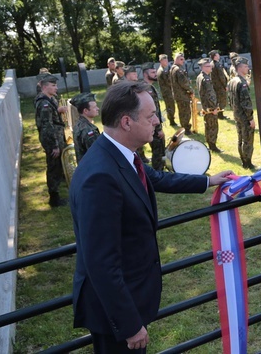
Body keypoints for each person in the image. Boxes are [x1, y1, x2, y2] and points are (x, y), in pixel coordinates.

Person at [69, 81, 233, 353]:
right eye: (151, 116)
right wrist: (129, 324)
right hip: (115, 314)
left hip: (129, 299)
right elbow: (100, 262)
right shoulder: (100, 177)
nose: (157, 121)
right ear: (126, 122)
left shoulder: (118, 154)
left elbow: (155, 177)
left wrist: (207, 181)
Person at [34, 74, 69, 207]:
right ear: (44, 87)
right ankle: (54, 198)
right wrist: (54, 145)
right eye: (53, 85)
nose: (56, 88)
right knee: (53, 167)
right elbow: (46, 125)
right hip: (52, 139)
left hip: (56, 136)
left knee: (58, 166)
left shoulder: (49, 99)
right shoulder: (44, 103)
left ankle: (57, 192)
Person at [227, 57, 256, 169]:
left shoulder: (232, 81)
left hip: (237, 114)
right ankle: (248, 163)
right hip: (244, 116)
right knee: (247, 139)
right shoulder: (241, 83)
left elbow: (230, 100)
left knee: (240, 138)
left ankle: (244, 161)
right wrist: (250, 118)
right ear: (239, 68)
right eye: (245, 66)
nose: (247, 68)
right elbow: (246, 103)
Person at [142, 62, 166, 171]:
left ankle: (159, 170)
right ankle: (158, 172)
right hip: (153, 125)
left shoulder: (149, 87)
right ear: (145, 74)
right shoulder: (146, 89)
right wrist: (158, 129)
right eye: (152, 72)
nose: (155, 74)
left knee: (159, 149)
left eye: (155, 71)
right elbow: (151, 111)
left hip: (154, 124)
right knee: (158, 150)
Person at [196, 58, 221, 152]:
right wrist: (214, 108)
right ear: (203, 67)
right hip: (210, 107)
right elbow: (210, 94)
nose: (211, 67)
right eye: (208, 66)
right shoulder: (206, 79)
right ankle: (212, 145)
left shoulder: (199, 77)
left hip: (205, 106)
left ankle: (210, 143)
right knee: (212, 126)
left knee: (208, 125)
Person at [71, 92, 100, 162]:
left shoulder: (79, 124)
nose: (98, 108)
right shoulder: (88, 130)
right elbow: (97, 154)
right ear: (86, 111)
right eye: (94, 107)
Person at [170, 52, 194, 135]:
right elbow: (183, 83)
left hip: (178, 94)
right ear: (176, 59)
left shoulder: (173, 68)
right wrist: (191, 90)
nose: (183, 61)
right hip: (182, 95)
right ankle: (186, 129)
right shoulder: (178, 69)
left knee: (182, 112)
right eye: (181, 59)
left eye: (183, 59)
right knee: (185, 112)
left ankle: (184, 127)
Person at [156, 55, 177, 127]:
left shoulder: (163, 69)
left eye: (166, 60)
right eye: (164, 60)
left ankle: (172, 120)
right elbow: (168, 82)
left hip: (167, 91)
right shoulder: (162, 71)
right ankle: (172, 121)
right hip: (167, 92)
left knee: (170, 106)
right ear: (161, 61)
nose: (166, 62)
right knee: (170, 106)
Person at [209, 50, 229, 120]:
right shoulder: (217, 64)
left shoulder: (211, 64)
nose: (219, 55)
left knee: (217, 99)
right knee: (221, 99)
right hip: (220, 85)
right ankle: (220, 114)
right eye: (217, 54)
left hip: (214, 85)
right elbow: (221, 76)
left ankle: (219, 113)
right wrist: (225, 85)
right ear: (215, 56)